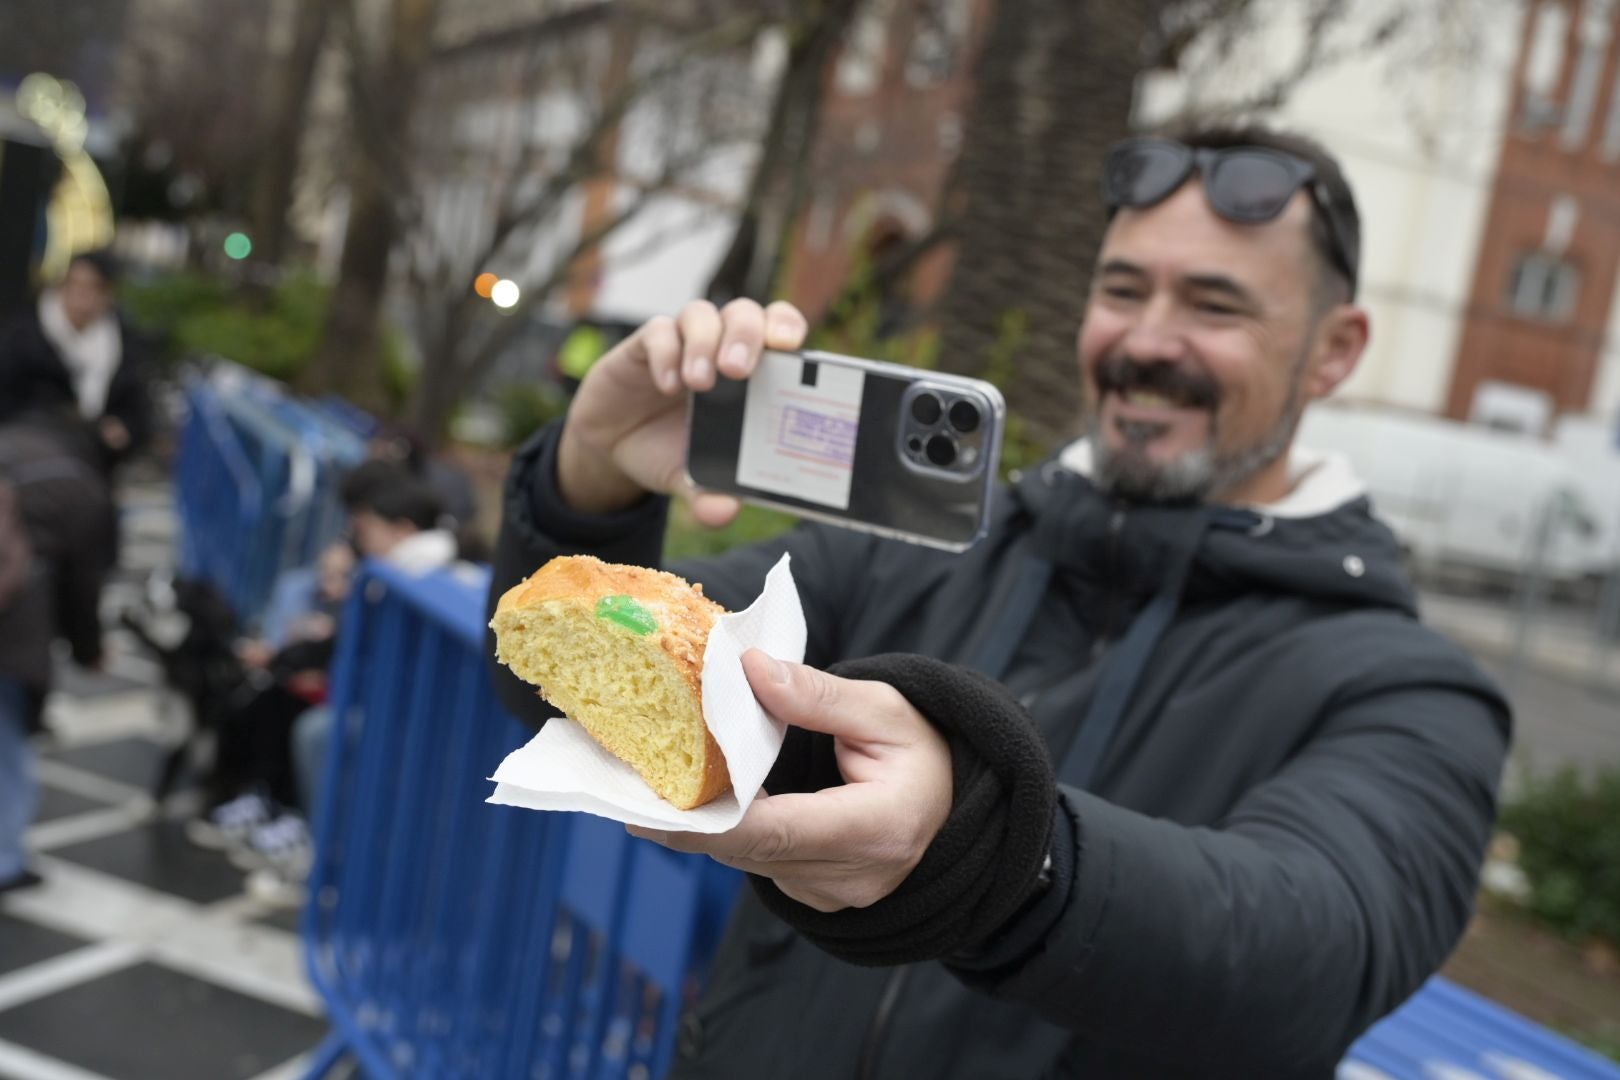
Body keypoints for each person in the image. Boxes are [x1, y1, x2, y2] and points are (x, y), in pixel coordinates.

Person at [486, 125, 1511, 1078]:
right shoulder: (909, 556)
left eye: (1215, 304)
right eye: (1122, 289)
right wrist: (592, 484)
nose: (1147, 341)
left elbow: (1301, 962)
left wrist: (983, 851)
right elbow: (579, 696)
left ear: (1334, 349)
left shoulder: (1409, 692)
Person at [0, 420, 115, 893]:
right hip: (12, 633)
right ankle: (5, 861)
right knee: (7, 751)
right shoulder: (79, 487)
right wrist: (88, 649)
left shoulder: (11, 442)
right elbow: (81, 587)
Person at [0, 250, 153, 475]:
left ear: (108, 293)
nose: (81, 295)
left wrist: (123, 429)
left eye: (92, 287)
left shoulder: (123, 344)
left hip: (90, 465)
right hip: (26, 456)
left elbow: (138, 411)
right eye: (74, 284)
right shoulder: (24, 336)